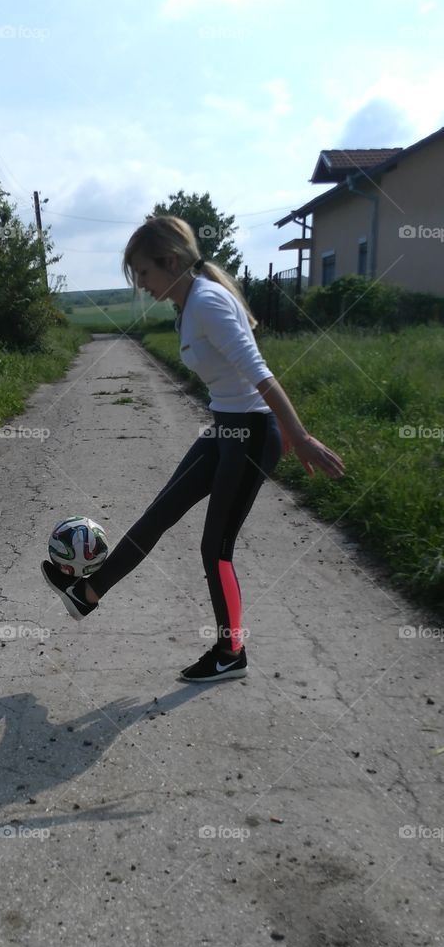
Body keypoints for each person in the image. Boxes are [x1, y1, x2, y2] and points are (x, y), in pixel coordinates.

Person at [41, 215, 345, 683]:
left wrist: (297, 435)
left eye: (143, 272)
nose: (141, 285)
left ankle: (231, 653)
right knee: (160, 513)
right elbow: (238, 378)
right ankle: (87, 595)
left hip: (247, 435)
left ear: (170, 261)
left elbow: (261, 373)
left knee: (215, 549)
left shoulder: (206, 301)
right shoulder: (192, 303)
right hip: (227, 429)